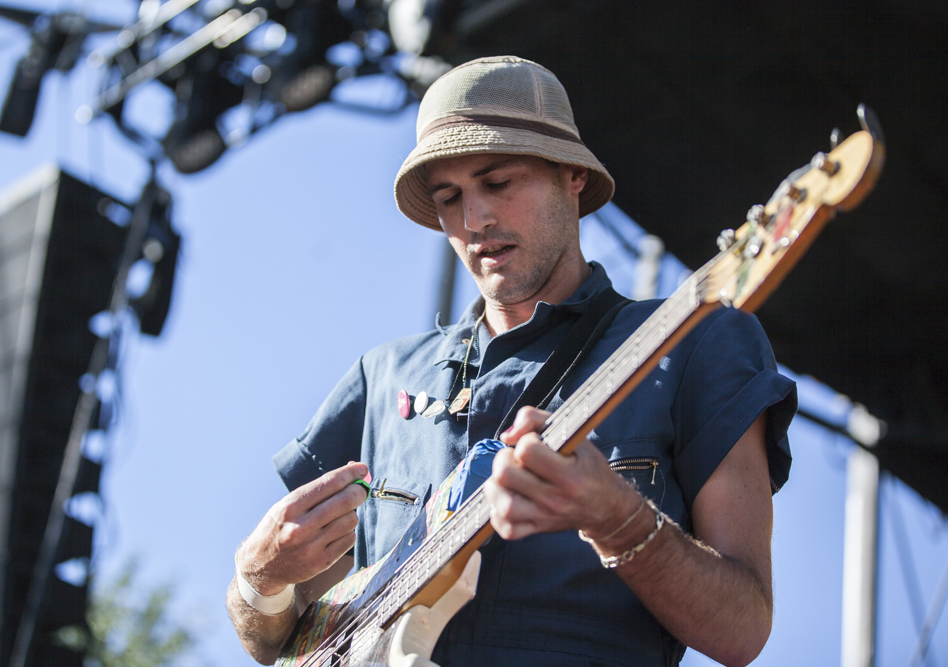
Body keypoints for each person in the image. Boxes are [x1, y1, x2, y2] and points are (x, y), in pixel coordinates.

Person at [227, 56, 797, 667]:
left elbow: (742, 629)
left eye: (498, 183)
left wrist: (618, 520)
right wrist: (258, 584)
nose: (475, 221)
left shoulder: (698, 341)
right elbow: (281, 643)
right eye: (449, 198)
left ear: (572, 176)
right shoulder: (381, 376)